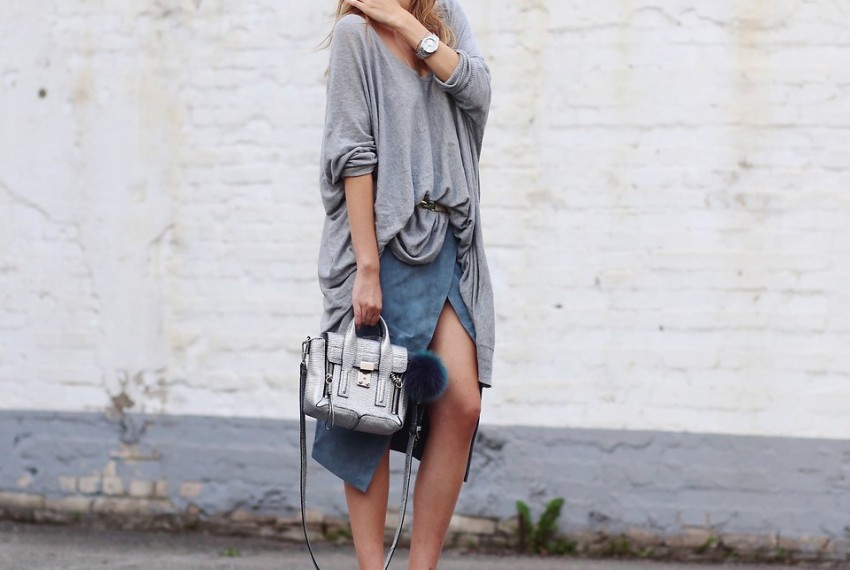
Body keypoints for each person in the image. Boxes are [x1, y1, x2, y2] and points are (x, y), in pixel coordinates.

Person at [313, 0, 495, 567]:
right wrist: (367, 269)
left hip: (449, 242)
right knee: (366, 409)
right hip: (384, 246)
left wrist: (407, 24)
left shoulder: (443, 15)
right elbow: (353, 155)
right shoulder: (354, 34)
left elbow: (478, 91)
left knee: (461, 404)